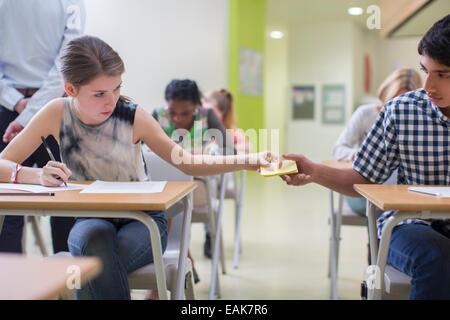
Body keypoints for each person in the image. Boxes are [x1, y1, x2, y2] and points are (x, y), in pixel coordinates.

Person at [0, 35, 277, 300]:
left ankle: (70, 272)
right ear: (71, 89)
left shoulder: (133, 117)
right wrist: (36, 174)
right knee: (92, 247)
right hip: (90, 219)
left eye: (117, 88)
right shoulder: (56, 113)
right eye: (99, 93)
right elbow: (3, 162)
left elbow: (188, 161)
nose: (111, 101)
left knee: (90, 264)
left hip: (143, 220)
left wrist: (251, 160)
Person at [281, 14, 450, 299]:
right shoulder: (400, 111)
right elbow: (364, 176)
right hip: (410, 224)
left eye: (443, 74)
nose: (429, 85)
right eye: (425, 71)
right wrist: (316, 171)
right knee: (439, 257)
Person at [0, 0, 86, 253]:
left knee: (9, 203)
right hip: (53, 107)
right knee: (63, 200)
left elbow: (66, 65)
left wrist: (18, 104)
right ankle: (66, 288)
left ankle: (9, 287)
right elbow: (65, 66)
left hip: (11, 110)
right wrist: (32, 111)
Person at [152, 80, 235, 261]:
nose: (178, 118)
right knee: (164, 202)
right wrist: (193, 154)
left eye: (186, 113)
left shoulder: (207, 116)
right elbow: (140, 155)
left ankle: (177, 262)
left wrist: (205, 153)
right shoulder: (158, 116)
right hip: (163, 185)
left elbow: (230, 153)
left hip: (197, 185)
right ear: (166, 104)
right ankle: (182, 261)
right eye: (172, 112)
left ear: (197, 107)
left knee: (170, 203)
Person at [332, 68, 422, 216]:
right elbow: (338, 150)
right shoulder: (366, 114)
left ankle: (383, 238)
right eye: (393, 99)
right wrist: (365, 156)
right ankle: (377, 239)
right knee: (378, 203)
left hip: (394, 190)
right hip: (363, 189)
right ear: (386, 92)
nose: (397, 107)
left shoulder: (413, 121)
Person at [203, 88, 252, 154]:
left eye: (212, 113)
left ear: (221, 116)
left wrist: (226, 148)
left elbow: (248, 146)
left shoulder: (229, 129)